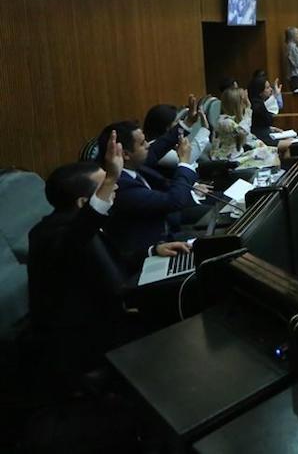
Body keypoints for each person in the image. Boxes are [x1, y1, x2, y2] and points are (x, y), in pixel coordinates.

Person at [28, 136, 190, 377]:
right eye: (106, 184)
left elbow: (112, 257)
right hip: (88, 338)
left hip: (113, 308)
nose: (115, 187)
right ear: (84, 202)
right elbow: (80, 239)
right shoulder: (52, 235)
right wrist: (113, 175)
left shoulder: (78, 224)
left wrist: (152, 251)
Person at [96, 120, 197, 269]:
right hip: (149, 255)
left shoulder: (129, 165)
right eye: (142, 143)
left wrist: (187, 123)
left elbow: (156, 149)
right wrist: (184, 163)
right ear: (126, 154)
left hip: (167, 235)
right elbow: (174, 201)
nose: (148, 145)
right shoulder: (120, 186)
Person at [211, 86, 280, 167]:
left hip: (235, 154)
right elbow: (244, 132)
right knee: (268, 154)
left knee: (270, 151)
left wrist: (261, 145)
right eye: (244, 101)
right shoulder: (225, 122)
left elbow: (248, 137)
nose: (245, 104)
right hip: (226, 159)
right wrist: (248, 110)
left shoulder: (231, 119)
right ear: (238, 104)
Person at [248, 76, 293, 153]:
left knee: (289, 141)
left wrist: (271, 128)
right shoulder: (257, 106)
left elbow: (258, 124)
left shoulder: (257, 103)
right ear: (260, 92)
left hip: (264, 134)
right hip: (262, 139)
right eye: (267, 88)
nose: (271, 89)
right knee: (291, 143)